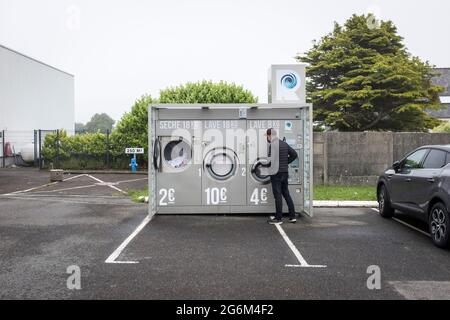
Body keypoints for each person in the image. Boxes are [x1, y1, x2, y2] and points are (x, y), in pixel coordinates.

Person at [263, 128, 298, 225]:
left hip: (276, 173)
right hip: (284, 172)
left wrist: (262, 167)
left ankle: (278, 218)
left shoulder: (272, 145)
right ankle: (292, 217)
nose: (267, 138)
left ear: (270, 135)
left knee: (277, 195)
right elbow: (294, 154)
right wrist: (287, 162)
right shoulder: (284, 144)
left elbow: (270, 161)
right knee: (286, 193)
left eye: (267, 136)